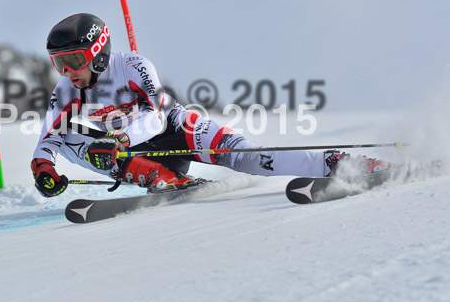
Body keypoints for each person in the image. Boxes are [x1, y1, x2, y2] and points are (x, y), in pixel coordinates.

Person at [31, 13, 381, 197]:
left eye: (72, 59)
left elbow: (154, 118)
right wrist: (42, 166)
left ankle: (340, 163)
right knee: (72, 140)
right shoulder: (66, 90)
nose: (65, 71)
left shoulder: (133, 65)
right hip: (138, 154)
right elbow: (50, 136)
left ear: (98, 53)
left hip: (177, 129)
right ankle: (158, 176)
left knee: (249, 159)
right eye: (57, 63)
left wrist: (119, 140)